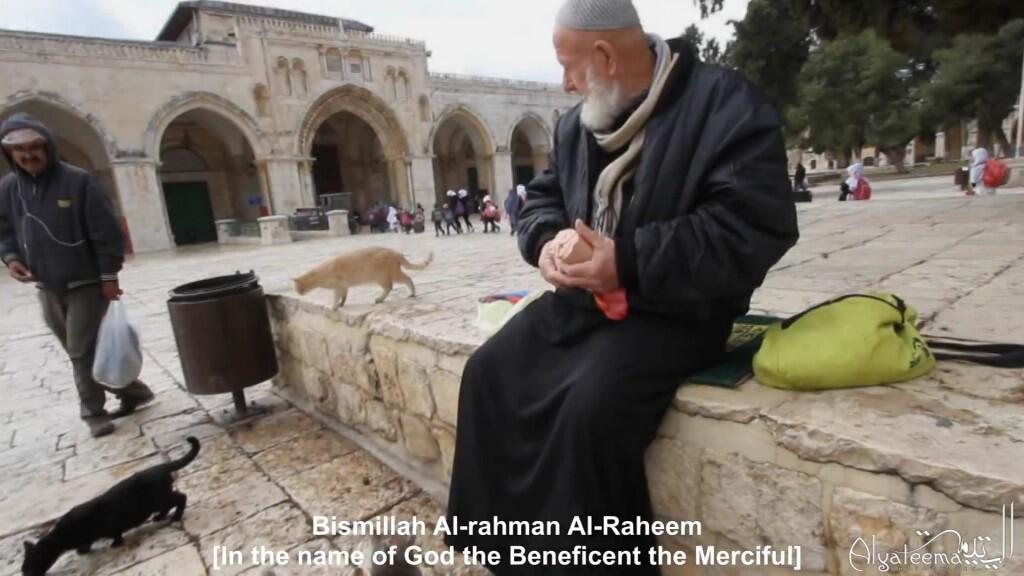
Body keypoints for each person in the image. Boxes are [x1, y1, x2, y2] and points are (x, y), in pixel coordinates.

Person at [444, 1, 799, 573]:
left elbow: (753, 225)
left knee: (589, 409)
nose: (564, 83)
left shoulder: (728, 106)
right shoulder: (576, 124)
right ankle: (511, 557)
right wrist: (550, 244)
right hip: (581, 303)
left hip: (677, 311)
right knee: (488, 375)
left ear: (605, 55)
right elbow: (541, 202)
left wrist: (628, 260)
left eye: (569, 66)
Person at [0, 113, 156, 438]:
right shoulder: (9, 189)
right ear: (10, 154)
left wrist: (109, 275)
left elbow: (106, 231)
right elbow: (5, 230)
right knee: (83, 346)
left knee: (80, 350)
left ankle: (92, 411)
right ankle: (134, 391)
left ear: (47, 146)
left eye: (34, 147)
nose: (28, 155)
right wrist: (11, 257)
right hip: (46, 284)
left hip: (85, 281)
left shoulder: (77, 181)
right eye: (20, 150)